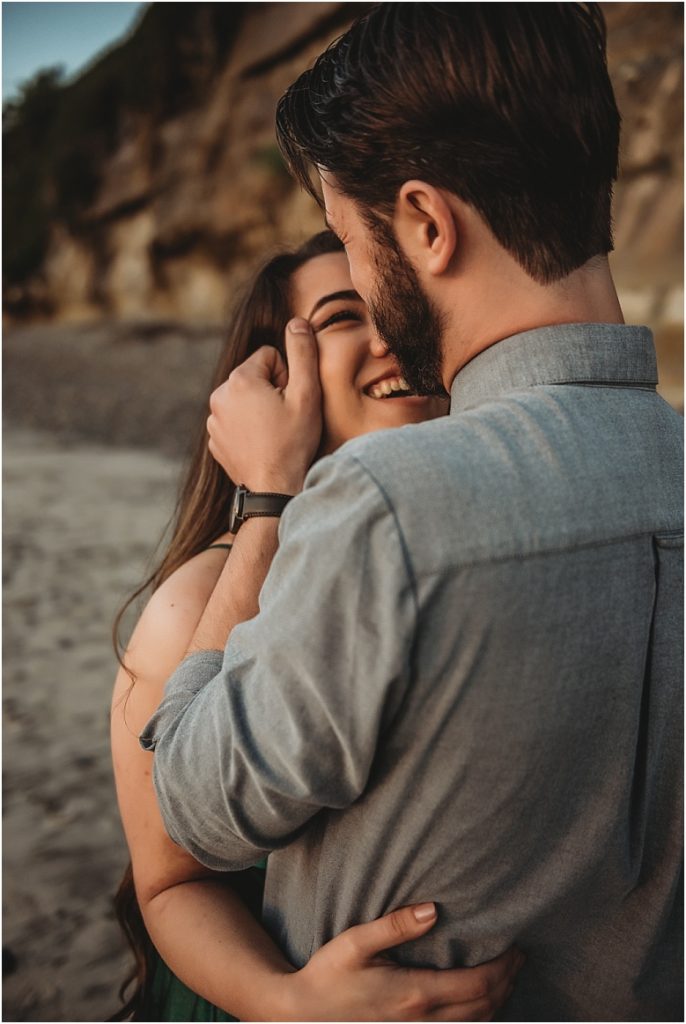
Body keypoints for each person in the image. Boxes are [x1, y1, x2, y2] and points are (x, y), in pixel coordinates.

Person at [141, 4, 683, 1020]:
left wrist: (266, 503)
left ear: (427, 227)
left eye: (354, 236)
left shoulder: (387, 507)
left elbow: (199, 807)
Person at [111, 229, 521, 1021]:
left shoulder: (482, 542)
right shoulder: (189, 607)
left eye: (401, 307)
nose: (388, 335)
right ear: (272, 378)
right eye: (340, 318)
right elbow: (170, 882)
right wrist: (290, 1003)